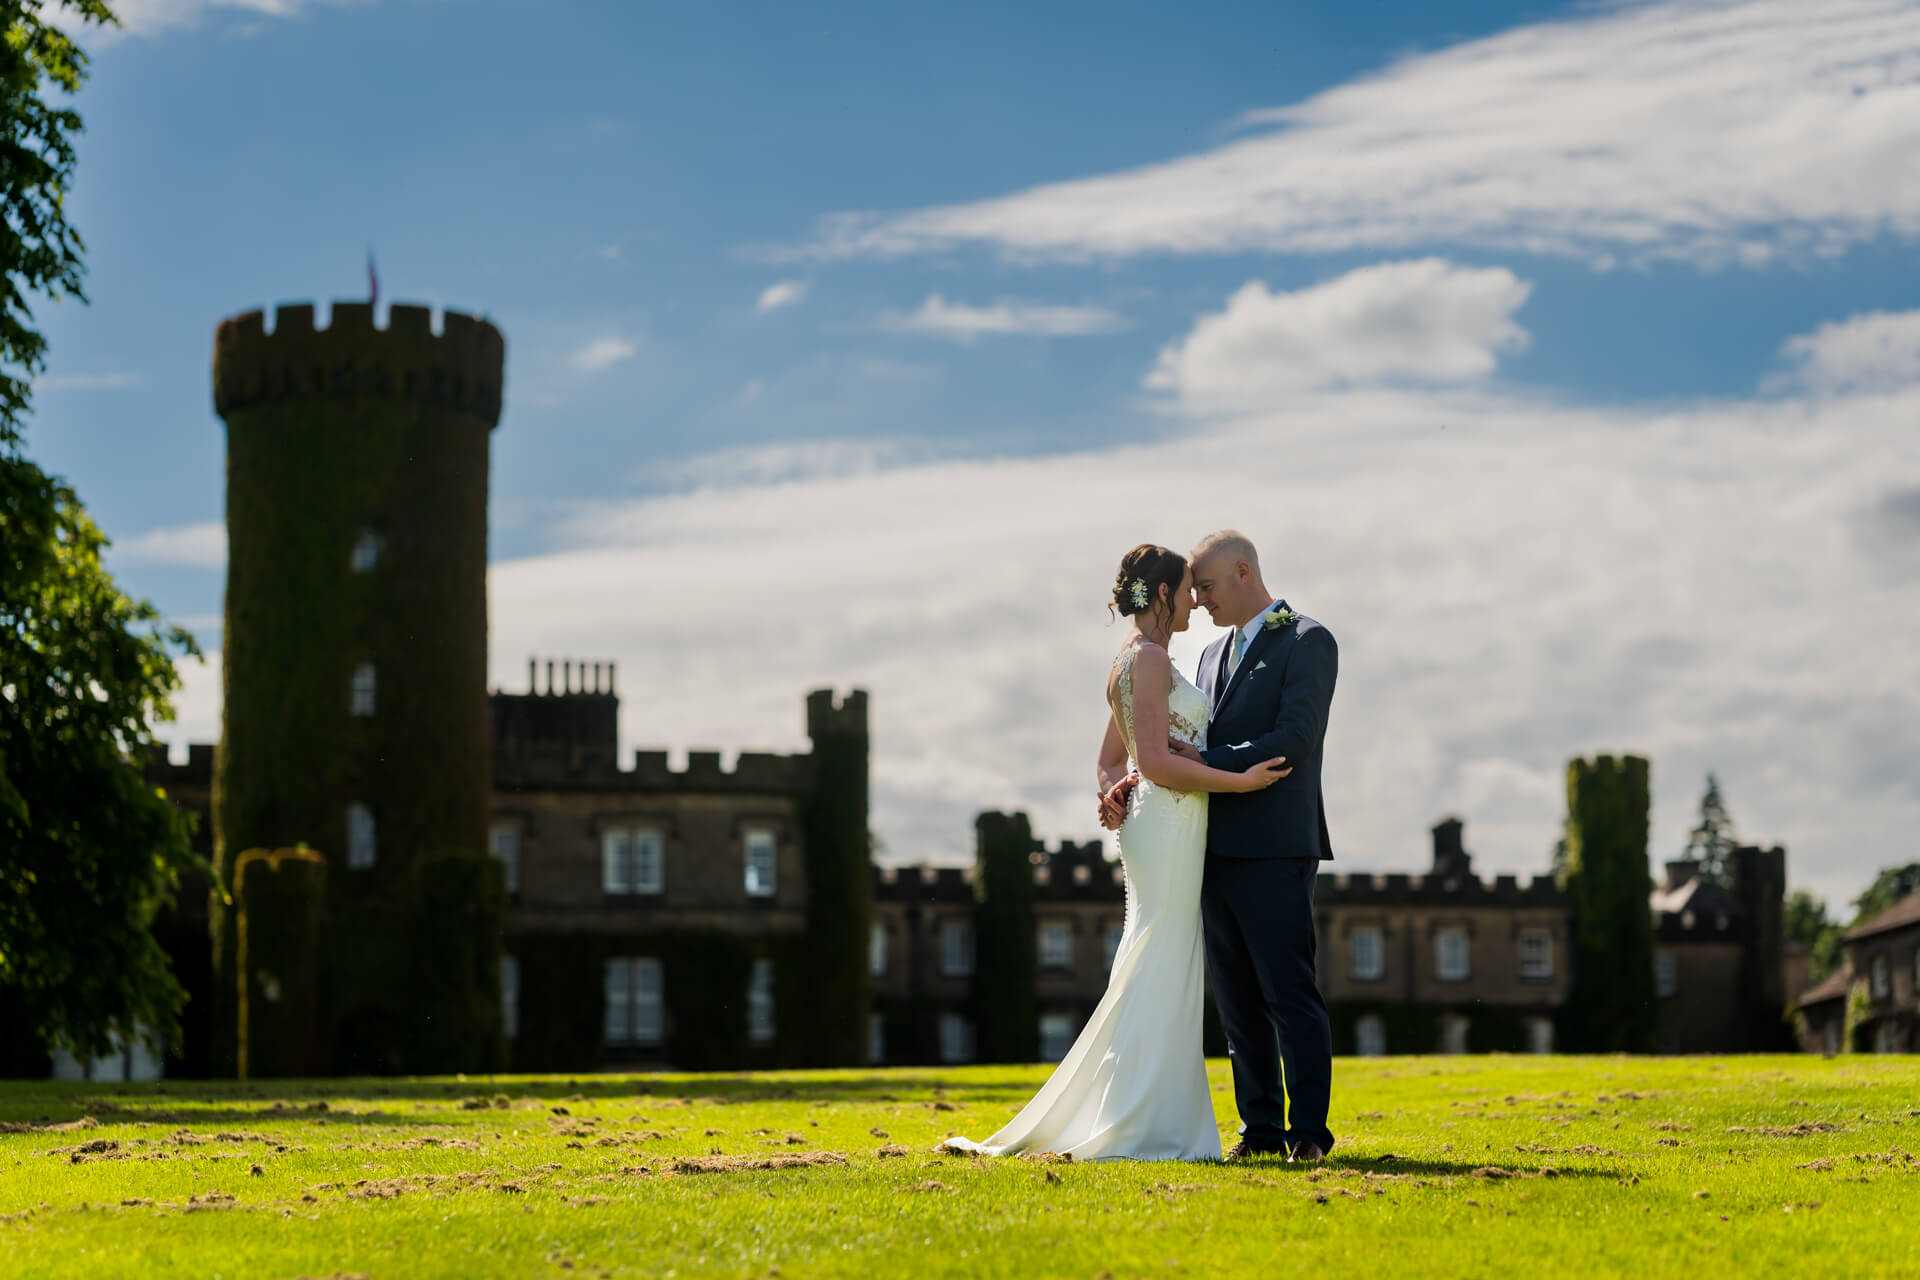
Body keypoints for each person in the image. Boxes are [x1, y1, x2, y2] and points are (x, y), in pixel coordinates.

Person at [938, 543, 1287, 1162]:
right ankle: (1147, 1121)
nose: (1195, 602)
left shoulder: (1129, 661)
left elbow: (1113, 761)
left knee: (1155, 955)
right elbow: (1151, 759)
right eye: (1187, 590)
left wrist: (1116, 791)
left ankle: (1148, 1112)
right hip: (1172, 822)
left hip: (1159, 822)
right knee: (1164, 955)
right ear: (1160, 596)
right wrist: (1240, 781)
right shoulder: (1151, 660)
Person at [1101, 530, 1338, 1161]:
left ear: (1242, 572)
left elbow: (1296, 735)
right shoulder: (1205, 658)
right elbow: (1156, 738)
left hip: (1274, 845)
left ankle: (1309, 1135)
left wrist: (1208, 760)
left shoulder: (1308, 640)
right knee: (1235, 1000)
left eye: (1204, 587)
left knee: (1288, 991)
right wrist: (1130, 778)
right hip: (1201, 845)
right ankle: (1257, 1132)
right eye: (1191, 590)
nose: (1198, 601)